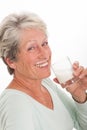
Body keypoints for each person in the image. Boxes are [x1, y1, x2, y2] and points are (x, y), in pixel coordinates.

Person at [0, 12, 87, 130]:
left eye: (44, 43)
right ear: (11, 61)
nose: (44, 54)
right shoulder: (15, 104)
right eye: (31, 48)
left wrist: (79, 94)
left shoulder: (46, 83)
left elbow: (82, 125)